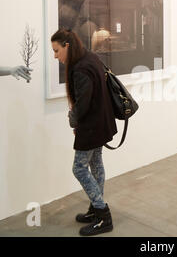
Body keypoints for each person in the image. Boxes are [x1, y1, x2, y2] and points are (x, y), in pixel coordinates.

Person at [50, 28, 118, 236]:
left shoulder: (80, 68)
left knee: (79, 169)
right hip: (101, 122)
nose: (55, 56)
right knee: (96, 163)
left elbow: (83, 103)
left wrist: (74, 122)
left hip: (91, 126)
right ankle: (95, 209)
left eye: (56, 50)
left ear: (67, 46)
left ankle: (103, 214)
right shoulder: (90, 58)